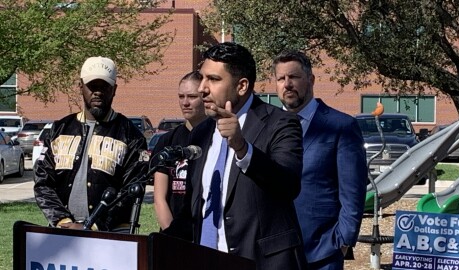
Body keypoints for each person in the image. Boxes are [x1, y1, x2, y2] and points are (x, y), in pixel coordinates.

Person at [165, 42, 308, 270]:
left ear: (241, 86)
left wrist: (243, 148)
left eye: (213, 79)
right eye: (202, 78)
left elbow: (288, 185)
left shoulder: (280, 123)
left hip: (261, 263)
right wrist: (157, 243)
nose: (202, 88)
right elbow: (195, 209)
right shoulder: (201, 132)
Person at [273, 50, 368, 269]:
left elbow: (353, 191)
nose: (287, 84)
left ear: (311, 79)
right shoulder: (269, 125)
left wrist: (344, 240)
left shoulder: (341, 126)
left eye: (293, 77)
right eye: (281, 79)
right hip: (276, 251)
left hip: (322, 252)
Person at [33, 56, 148, 232]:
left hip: (111, 234)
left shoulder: (131, 136)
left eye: (104, 86)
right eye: (92, 86)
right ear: (80, 87)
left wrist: (93, 225)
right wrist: (62, 221)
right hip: (63, 231)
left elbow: (131, 191)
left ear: (114, 89)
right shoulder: (59, 129)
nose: (98, 92)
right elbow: (43, 182)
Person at [151, 71, 206, 230]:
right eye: (181, 97)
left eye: (192, 97)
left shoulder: (216, 138)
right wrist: (171, 235)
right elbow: (159, 198)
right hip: (174, 233)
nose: (185, 102)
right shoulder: (167, 141)